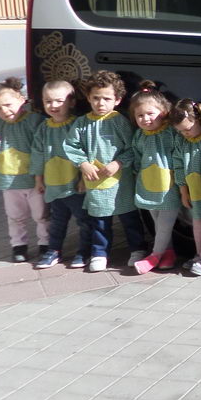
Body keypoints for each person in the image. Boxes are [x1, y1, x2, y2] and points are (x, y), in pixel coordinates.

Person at [63, 70, 146, 272]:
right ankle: (100, 253)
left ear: (117, 100)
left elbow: (133, 148)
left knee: (129, 218)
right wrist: (82, 163)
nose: (101, 103)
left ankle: (138, 249)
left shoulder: (120, 121)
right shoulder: (82, 123)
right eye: (96, 98)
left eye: (106, 99)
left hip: (121, 181)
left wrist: (118, 163)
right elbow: (71, 146)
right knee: (100, 219)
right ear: (89, 98)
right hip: (96, 182)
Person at [0, 76, 48, 263]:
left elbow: (41, 148)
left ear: (21, 98)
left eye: (8, 104)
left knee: (41, 214)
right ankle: (18, 245)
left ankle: (46, 243)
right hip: (8, 179)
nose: (4, 111)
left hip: (33, 179)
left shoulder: (34, 121)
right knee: (14, 215)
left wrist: (40, 176)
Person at [31, 80, 90, 270]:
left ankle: (84, 252)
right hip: (54, 185)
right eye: (48, 101)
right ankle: (53, 250)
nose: (53, 106)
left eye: (58, 101)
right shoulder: (43, 128)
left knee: (84, 220)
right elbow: (38, 154)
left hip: (75, 185)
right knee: (57, 221)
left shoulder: (78, 125)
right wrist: (39, 179)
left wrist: (83, 178)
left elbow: (87, 152)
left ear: (71, 102)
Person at [129, 81, 180, 274]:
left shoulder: (170, 133)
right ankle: (168, 253)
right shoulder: (139, 136)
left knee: (165, 225)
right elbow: (136, 158)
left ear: (164, 111)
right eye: (140, 115)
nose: (145, 119)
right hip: (148, 186)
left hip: (168, 188)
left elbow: (178, 153)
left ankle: (154, 256)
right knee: (158, 223)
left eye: (150, 114)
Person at [171, 99, 201, 277]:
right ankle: (199, 256)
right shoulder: (182, 141)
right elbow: (177, 164)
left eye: (188, 129)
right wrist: (183, 190)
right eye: (181, 131)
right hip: (194, 189)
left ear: (198, 119)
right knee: (198, 221)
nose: (185, 134)